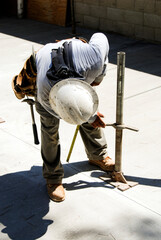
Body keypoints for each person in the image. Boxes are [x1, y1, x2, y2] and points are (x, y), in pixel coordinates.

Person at [12, 32, 115, 202]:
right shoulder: (45, 95)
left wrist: (100, 75)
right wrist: (90, 116)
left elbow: (100, 36)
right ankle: (53, 178)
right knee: (49, 131)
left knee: (86, 109)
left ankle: (98, 155)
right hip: (45, 67)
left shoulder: (94, 60)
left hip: (77, 63)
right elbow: (73, 113)